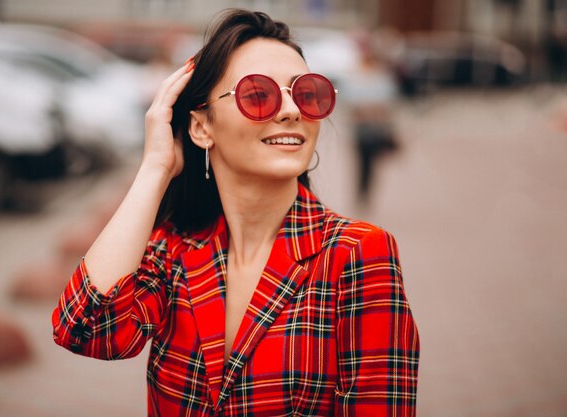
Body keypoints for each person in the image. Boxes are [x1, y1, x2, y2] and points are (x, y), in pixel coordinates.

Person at [52, 9, 419, 416]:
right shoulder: (175, 249)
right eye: (258, 94)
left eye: (306, 93)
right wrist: (155, 169)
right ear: (202, 127)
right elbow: (86, 329)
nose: (292, 111)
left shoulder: (358, 256)